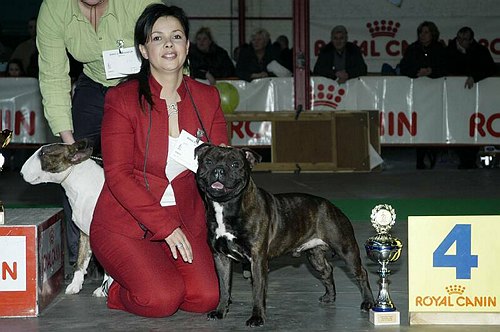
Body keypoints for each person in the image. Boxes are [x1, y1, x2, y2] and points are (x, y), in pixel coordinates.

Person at [90, 4, 228, 317]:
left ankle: (156, 269)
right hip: (124, 223)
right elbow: (118, 175)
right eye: (157, 38)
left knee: (204, 298)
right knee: (161, 300)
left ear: (187, 46)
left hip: (184, 219)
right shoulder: (121, 99)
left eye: (176, 36)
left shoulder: (208, 97)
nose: (168, 44)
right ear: (143, 49)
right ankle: (116, 290)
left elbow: (222, 165)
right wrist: (165, 227)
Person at [36, 0, 161, 267]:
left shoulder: (140, 3)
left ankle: (149, 247)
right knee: (70, 171)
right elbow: (53, 74)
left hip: (138, 82)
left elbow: (168, 53)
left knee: (145, 164)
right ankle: (79, 262)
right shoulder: (54, 8)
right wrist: (70, 146)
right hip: (92, 82)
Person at [446, 26, 496, 169]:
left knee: (473, 127)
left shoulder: (480, 51)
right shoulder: (449, 50)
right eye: (459, 39)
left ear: (471, 40)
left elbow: (490, 68)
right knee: (459, 126)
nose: (461, 42)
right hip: (456, 96)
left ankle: (470, 159)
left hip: (476, 98)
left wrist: (474, 76)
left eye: (465, 40)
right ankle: (464, 159)